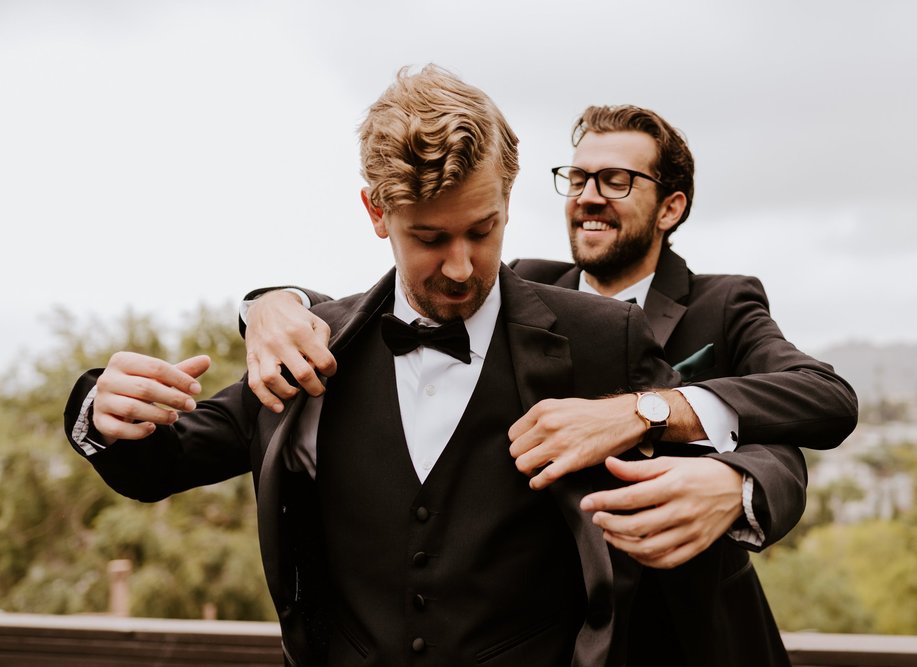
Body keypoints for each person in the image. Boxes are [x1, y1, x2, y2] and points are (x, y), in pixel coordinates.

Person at [61, 65, 748, 666]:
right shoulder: (312, 348)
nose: (460, 265)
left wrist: (733, 481)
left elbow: (738, 443)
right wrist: (103, 407)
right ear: (376, 211)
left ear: (508, 197)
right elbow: (165, 463)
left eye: (483, 229)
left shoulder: (605, 338)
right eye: (429, 237)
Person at [240, 105, 858, 665]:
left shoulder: (724, 304)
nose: (590, 196)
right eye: (579, 177)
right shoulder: (526, 287)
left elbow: (817, 400)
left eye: (617, 181)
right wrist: (272, 302)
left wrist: (660, 419)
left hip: (685, 636)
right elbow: (402, 302)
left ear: (671, 207)